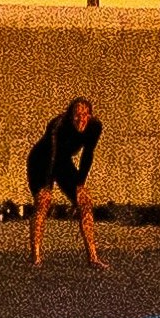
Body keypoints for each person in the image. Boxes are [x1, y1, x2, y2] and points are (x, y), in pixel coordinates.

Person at [26, 98, 105, 271]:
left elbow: (87, 155)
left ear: (90, 116)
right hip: (41, 161)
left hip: (62, 162)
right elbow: (51, 154)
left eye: (84, 115)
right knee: (43, 203)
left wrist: (80, 184)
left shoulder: (95, 127)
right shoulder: (58, 125)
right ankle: (36, 257)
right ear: (70, 116)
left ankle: (93, 257)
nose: (80, 119)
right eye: (76, 115)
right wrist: (46, 186)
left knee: (85, 201)